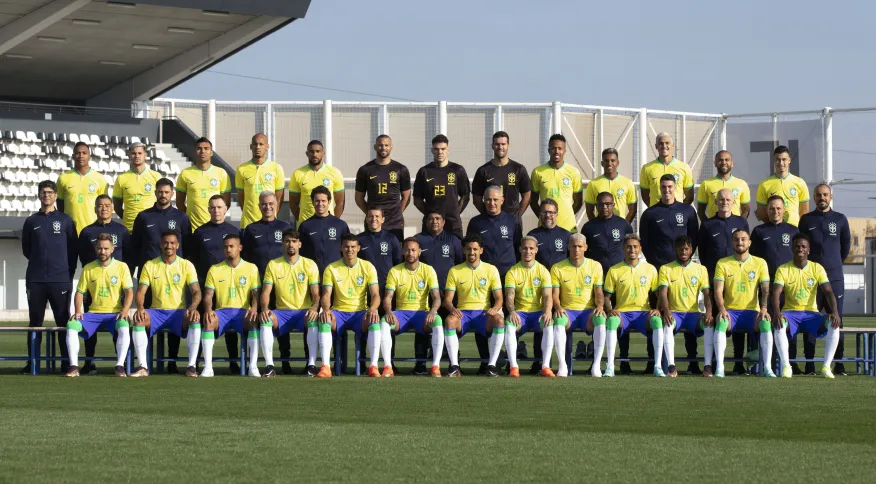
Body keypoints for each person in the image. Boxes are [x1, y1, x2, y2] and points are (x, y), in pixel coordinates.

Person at [639, 174, 699, 373]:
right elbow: (645, 243)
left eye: (670, 186)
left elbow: (693, 239)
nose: (667, 190)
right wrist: (656, 264)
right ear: (659, 189)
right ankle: (653, 360)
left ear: (676, 188)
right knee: (657, 313)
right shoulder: (650, 214)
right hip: (658, 272)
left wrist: (683, 260)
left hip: (682, 269)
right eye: (663, 187)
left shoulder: (688, 211)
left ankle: (693, 362)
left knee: (687, 308)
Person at [21, 180, 77, 374]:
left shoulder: (65, 220)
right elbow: (27, 250)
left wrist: (65, 272)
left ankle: (65, 362)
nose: (46, 195)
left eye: (50, 192)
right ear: (39, 195)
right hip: (35, 279)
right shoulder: (31, 221)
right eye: (43, 192)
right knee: (35, 322)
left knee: (63, 321)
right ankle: (33, 363)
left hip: (60, 279)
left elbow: (72, 250)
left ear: (55, 195)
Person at [770, 233, 842, 379]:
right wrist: (777, 313)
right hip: (790, 315)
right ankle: (786, 366)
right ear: (792, 248)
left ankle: (826, 366)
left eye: (803, 246)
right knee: (779, 324)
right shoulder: (783, 269)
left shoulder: (817, 268)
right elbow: (776, 293)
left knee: (833, 324)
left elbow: (828, 292)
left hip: (812, 315)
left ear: (809, 250)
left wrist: (835, 312)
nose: (800, 249)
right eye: (797, 246)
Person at [466, 185, 522, 370]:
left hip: (507, 277)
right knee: (484, 316)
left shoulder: (512, 220)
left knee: (509, 317)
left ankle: (508, 356)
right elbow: (472, 249)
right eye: (488, 199)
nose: (492, 203)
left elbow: (516, 247)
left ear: (502, 200)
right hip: (483, 278)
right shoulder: (476, 222)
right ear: (483, 200)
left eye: (495, 199)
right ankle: (486, 360)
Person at [131, 230, 201, 377]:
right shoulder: (150, 265)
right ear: (160, 244)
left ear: (177, 245)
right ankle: (143, 367)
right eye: (166, 242)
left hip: (178, 312)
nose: (169, 245)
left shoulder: (186, 265)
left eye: (172, 243)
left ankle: (191, 367)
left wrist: (193, 307)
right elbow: (141, 292)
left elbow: (197, 292)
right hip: (156, 312)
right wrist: (140, 308)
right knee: (139, 320)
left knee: (194, 319)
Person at [63, 234, 134, 377]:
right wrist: (78, 311)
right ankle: (73, 367)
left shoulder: (122, 267)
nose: (103, 252)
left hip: (115, 314)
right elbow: (79, 292)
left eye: (106, 248)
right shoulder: (89, 268)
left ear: (112, 249)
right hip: (93, 314)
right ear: (96, 249)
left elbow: (129, 292)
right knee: (71, 325)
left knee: (124, 326)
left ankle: (119, 366)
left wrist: (125, 311)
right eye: (100, 248)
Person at [798, 184, 850, 375]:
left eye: (825, 194)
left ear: (831, 196)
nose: (822, 197)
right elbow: (801, 246)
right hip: (811, 279)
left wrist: (833, 265)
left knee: (837, 319)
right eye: (819, 195)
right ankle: (809, 363)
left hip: (834, 278)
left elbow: (845, 248)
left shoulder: (840, 219)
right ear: (813, 197)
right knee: (810, 318)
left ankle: (839, 363)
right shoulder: (806, 220)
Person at [697, 188, 750, 375]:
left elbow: (746, 247)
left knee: (736, 317)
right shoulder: (707, 225)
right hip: (715, 278)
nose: (724, 202)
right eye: (721, 199)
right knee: (714, 318)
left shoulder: (741, 222)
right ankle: (710, 362)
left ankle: (738, 362)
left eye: (728, 199)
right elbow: (702, 252)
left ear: (734, 201)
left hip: (738, 279)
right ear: (715, 202)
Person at [580, 191, 634, 373]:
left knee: (620, 317)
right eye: (601, 204)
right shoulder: (588, 227)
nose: (605, 207)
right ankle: (596, 360)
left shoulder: (624, 225)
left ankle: (624, 360)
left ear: (614, 205)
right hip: (597, 282)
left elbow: (630, 249)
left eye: (608, 204)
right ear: (596, 206)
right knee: (599, 320)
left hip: (621, 280)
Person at [77, 194, 131, 373]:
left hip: (116, 284)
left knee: (118, 324)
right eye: (100, 205)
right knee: (89, 325)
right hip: (93, 283)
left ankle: (119, 363)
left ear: (112, 208)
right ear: (95, 208)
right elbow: (83, 256)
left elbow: (129, 255)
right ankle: (89, 362)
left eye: (107, 205)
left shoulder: (122, 231)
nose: (104, 208)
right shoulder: (87, 232)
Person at [241, 191, 293, 372]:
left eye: (271, 204)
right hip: (257, 284)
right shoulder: (251, 229)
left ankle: (285, 360)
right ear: (259, 206)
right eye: (264, 204)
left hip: (281, 283)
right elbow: (245, 258)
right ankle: (248, 362)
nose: (268, 207)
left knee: (282, 320)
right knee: (256, 319)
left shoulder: (286, 227)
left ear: (277, 205)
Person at [190, 195, 243, 372]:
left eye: (219, 207)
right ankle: (197, 361)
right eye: (213, 207)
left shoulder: (233, 231)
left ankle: (234, 362)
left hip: (229, 285)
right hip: (206, 285)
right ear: (208, 209)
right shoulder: (200, 232)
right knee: (202, 321)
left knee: (231, 325)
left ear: (225, 209)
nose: (216, 210)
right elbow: (194, 259)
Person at [259, 230, 321, 378]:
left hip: (303, 312)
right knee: (266, 319)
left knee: (313, 319)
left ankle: (311, 365)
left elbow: (316, 294)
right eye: (287, 241)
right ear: (282, 244)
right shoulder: (274, 264)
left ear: (300, 244)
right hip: (282, 313)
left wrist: (314, 307)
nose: (290, 244)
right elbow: (266, 292)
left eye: (294, 241)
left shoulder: (309, 264)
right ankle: (269, 366)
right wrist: (265, 309)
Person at [319, 233, 381, 378]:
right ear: (341, 248)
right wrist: (326, 310)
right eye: (346, 247)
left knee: (374, 321)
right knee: (324, 320)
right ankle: (326, 367)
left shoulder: (368, 267)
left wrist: (372, 309)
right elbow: (326, 294)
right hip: (338, 313)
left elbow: (375, 294)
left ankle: (373, 366)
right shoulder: (331, 268)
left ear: (358, 248)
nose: (350, 250)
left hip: (360, 313)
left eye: (353, 247)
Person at [712, 229, 771, 378]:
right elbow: (718, 290)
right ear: (732, 242)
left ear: (749, 242)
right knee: (720, 322)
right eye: (737, 239)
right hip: (731, 312)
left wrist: (764, 308)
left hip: (752, 312)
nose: (740, 242)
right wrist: (722, 309)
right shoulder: (723, 263)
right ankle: (720, 368)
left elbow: (765, 288)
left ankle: (768, 368)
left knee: (765, 323)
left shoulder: (760, 263)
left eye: (743, 239)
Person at [442, 233, 503, 377]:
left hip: (483, 314)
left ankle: (491, 365)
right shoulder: (455, 271)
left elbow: (499, 298)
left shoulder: (491, 269)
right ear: (463, 250)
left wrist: (495, 309)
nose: (472, 252)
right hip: (463, 314)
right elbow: (448, 300)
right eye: (469, 249)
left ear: (481, 250)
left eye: (475, 249)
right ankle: (455, 366)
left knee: (499, 320)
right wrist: (452, 308)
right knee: (450, 320)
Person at [751, 195, 800, 373]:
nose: (775, 212)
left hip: (789, 286)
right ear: (766, 210)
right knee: (766, 322)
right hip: (766, 286)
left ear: (784, 210)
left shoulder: (794, 231)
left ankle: (791, 362)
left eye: (778, 208)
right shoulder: (758, 232)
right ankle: (766, 363)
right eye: (772, 208)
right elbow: (753, 259)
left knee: (788, 323)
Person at [201, 235, 261, 377]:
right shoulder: (215, 269)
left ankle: (253, 367)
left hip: (242, 312)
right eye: (226, 247)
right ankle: (208, 367)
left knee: (253, 320)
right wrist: (209, 310)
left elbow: (256, 293)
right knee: (209, 321)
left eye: (232, 246)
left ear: (239, 248)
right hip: (221, 312)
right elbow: (208, 294)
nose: (228, 250)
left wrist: (254, 308)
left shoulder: (251, 268)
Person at [383, 237, 443, 377]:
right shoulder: (395, 271)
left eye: (414, 250)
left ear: (419, 252)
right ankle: (387, 366)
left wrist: (433, 311)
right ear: (403, 252)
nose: (411, 253)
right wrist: (388, 311)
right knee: (384, 322)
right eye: (408, 250)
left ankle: (435, 366)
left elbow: (436, 297)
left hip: (421, 314)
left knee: (438, 321)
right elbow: (388, 297)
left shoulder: (428, 270)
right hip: (401, 314)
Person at [602, 234, 661, 375]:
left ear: (640, 248)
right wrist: (610, 310)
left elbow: (659, 295)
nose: (632, 250)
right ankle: (610, 366)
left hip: (643, 313)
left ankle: (657, 366)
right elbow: (606, 296)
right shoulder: (614, 270)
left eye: (635, 246)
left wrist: (658, 309)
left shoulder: (650, 269)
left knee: (657, 321)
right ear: (623, 248)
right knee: (611, 321)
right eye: (628, 247)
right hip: (622, 313)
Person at [413, 211, 464, 373]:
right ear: (425, 221)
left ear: (443, 222)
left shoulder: (453, 240)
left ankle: (452, 362)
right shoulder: (419, 240)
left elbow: (460, 265)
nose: (434, 221)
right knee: (423, 327)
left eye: (437, 219)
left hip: (448, 295)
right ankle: (420, 363)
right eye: (430, 218)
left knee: (449, 326)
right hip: (424, 295)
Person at [526, 198, 572, 373]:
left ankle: (564, 362)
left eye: (552, 212)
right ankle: (540, 362)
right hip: (540, 288)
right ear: (540, 214)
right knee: (542, 323)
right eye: (545, 212)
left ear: (557, 215)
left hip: (561, 289)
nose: (548, 215)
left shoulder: (566, 235)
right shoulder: (533, 235)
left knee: (561, 323)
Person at [550, 234, 606, 377]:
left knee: (600, 319)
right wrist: (557, 307)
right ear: (568, 247)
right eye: (574, 246)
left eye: (580, 246)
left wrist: (600, 306)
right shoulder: (557, 268)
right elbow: (555, 295)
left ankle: (596, 366)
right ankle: (562, 365)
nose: (576, 249)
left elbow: (598, 292)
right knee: (558, 320)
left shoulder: (595, 266)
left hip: (587, 312)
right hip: (568, 311)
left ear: (586, 248)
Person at [354, 205, 402, 372]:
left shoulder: (391, 239)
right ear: (366, 219)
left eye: (377, 216)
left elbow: (398, 265)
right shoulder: (360, 240)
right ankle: (362, 361)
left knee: (387, 325)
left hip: (387, 293)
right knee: (366, 325)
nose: (373, 219)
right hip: (365, 293)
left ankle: (390, 361)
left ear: (383, 219)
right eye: (371, 216)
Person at [657, 236, 712, 377]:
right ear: (676, 249)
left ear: (691, 250)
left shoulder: (701, 269)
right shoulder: (665, 268)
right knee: (667, 324)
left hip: (693, 314)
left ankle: (707, 367)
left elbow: (706, 294)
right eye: (680, 248)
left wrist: (708, 313)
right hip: (675, 314)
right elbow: (663, 293)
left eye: (686, 248)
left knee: (709, 324)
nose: (683, 251)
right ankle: (671, 367)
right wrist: (667, 312)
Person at [503, 236, 554, 378]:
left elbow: (547, 296)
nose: (528, 251)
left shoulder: (543, 271)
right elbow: (509, 296)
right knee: (509, 325)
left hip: (538, 313)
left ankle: (545, 366)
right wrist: (512, 312)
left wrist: (548, 312)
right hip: (521, 314)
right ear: (520, 249)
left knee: (549, 324)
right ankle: (514, 367)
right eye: (525, 248)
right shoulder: (513, 271)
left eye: (531, 248)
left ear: (536, 250)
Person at [354, 135, 411, 241]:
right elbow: (359, 198)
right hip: (373, 222)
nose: (383, 148)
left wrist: (397, 212)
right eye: (380, 145)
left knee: (394, 254)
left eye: (386, 145)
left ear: (391, 147)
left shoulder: (401, 169)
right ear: (375, 147)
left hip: (395, 222)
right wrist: (371, 214)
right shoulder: (365, 170)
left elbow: (406, 196)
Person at [413, 134, 471, 238]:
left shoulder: (457, 170)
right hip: (431, 225)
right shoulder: (424, 172)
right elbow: (417, 200)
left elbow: (465, 195)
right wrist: (430, 215)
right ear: (432, 150)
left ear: (448, 150)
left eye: (443, 149)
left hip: (453, 224)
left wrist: (455, 212)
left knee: (456, 253)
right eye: (436, 149)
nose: (440, 152)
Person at [131, 178, 191, 271]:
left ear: (172, 194)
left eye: (166, 192)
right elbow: (135, 245)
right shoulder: (143, 217)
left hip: (174, 271)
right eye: (160, 192)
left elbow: (187, 247)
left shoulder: (181, 217)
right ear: (155, 193)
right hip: (149, 271)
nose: (163, 195)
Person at [472, 131, 531, 220]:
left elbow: (527, 196)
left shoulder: (518, 169)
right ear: (492, 146)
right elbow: (476, 199)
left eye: (503, 144)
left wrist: (517, 216)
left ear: (508, 145)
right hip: (490, 223)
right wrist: (488, 215)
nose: (500, 147)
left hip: (513, 224)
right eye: (497, 144)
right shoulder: (483, 171)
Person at [529, 134, 583, 232]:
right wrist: (544, 217)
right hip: (545, 227)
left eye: (560, 148)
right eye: (553, 148)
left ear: (564, 151)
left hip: (568, 227)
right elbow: (533, 202)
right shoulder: (538, 172)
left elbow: (578, 201)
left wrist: (567, 215)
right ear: (549, 150)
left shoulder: (574, 172)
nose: (557, 151)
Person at [176, 137, 232, 230]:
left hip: (215, 227)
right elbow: (179, 203)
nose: (203, 151)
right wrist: (189, 219)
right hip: (193, 228)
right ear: (195, 152)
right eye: (199, 148)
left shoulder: (221, 173)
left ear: (211, 153)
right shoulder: (185, 173)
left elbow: (226, 203)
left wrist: (216, 218)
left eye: (206, 148)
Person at [235, 133, 286, 229]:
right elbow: (241, 198)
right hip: (248, 223)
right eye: (255, 144)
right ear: (251, 147)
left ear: (267, 147)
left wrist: (271, 214)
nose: (258, 147)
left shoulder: (276, 168)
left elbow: (279, 198)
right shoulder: (241, 169)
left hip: (270, 223)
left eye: (261, 144)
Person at [56, 141, 108, 234]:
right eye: (78, 153)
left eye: (84, 153)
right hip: (70, 230)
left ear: (89, 156)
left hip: (93, 229)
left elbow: (104, 205)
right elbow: (60, 204)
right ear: (73, 156)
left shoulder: (99, 178)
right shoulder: (63, 178)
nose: (81, 156)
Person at [289, 139, 345, 224]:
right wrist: (304, 222)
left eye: (318, 151)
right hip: (306, 225)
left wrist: (333, 221)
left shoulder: (335, 173)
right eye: (311, 152)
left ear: (323, 153)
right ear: (307, 154)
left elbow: (340, 202)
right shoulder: (298, 174)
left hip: (328, 224)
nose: (315, 154)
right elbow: (293, 203)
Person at [298, 186, 351, 275]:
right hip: (312, 275)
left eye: (323, 201)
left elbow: (348, 249)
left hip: (336, 275)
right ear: (313, 202)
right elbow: (300, 253)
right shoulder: (305, 226)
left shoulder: (341, 225)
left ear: (329, 202)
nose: (320, 204)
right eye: (317, 201)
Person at [755, 145, 809, 226]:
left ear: (789, 160)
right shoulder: (764, 184)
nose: (781, 163)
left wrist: (798, 228)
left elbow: (804, 211)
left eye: (784, 159)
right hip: (774, 229)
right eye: (778, 160)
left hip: (794, 230)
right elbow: (761, 212)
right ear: (774, 161)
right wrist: (773, 225)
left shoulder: (800, 182)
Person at [113, 142, 161, 232]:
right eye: (134, 153)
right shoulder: (121, 179)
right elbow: (117, 207)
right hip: (130, 229)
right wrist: (128, 218)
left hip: (151, 228)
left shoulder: (156, 176)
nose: (137, 156)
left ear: (145, 155)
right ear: (129, 155)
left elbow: (162, 202)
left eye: (140, 153)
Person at [639, 132, 694, 207]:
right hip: (656, 215)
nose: (664, 146)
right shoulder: (647, 168)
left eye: (667, 143)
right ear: (656, 146)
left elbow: (689, 197)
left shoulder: (684, 167)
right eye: (661, 143)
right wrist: (656, 209)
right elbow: (645, 196)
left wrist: (679, 209)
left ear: (672, 145)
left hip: (677, 214)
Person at [584, 148, 637, 223]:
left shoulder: (628, 183)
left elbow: (633, 210)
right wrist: (596, 226)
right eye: (606, 161)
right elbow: (589, 211)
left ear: (618, 163)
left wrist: (624, 226)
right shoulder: (593, 184)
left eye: (612, 160)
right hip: (600, 228)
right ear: (602, 163)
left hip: (619, 229)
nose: (609, 163)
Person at [696, 150, 751, 222]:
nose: (724, 162)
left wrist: (739, 224)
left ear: (732, 163)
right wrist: (709, 226)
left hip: (734, 229)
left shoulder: (742, 184)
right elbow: (700, 211)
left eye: (727, 160)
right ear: (715, 163)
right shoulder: (706, 184)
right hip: (715, 228)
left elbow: (746, 210)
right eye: (720, 160)